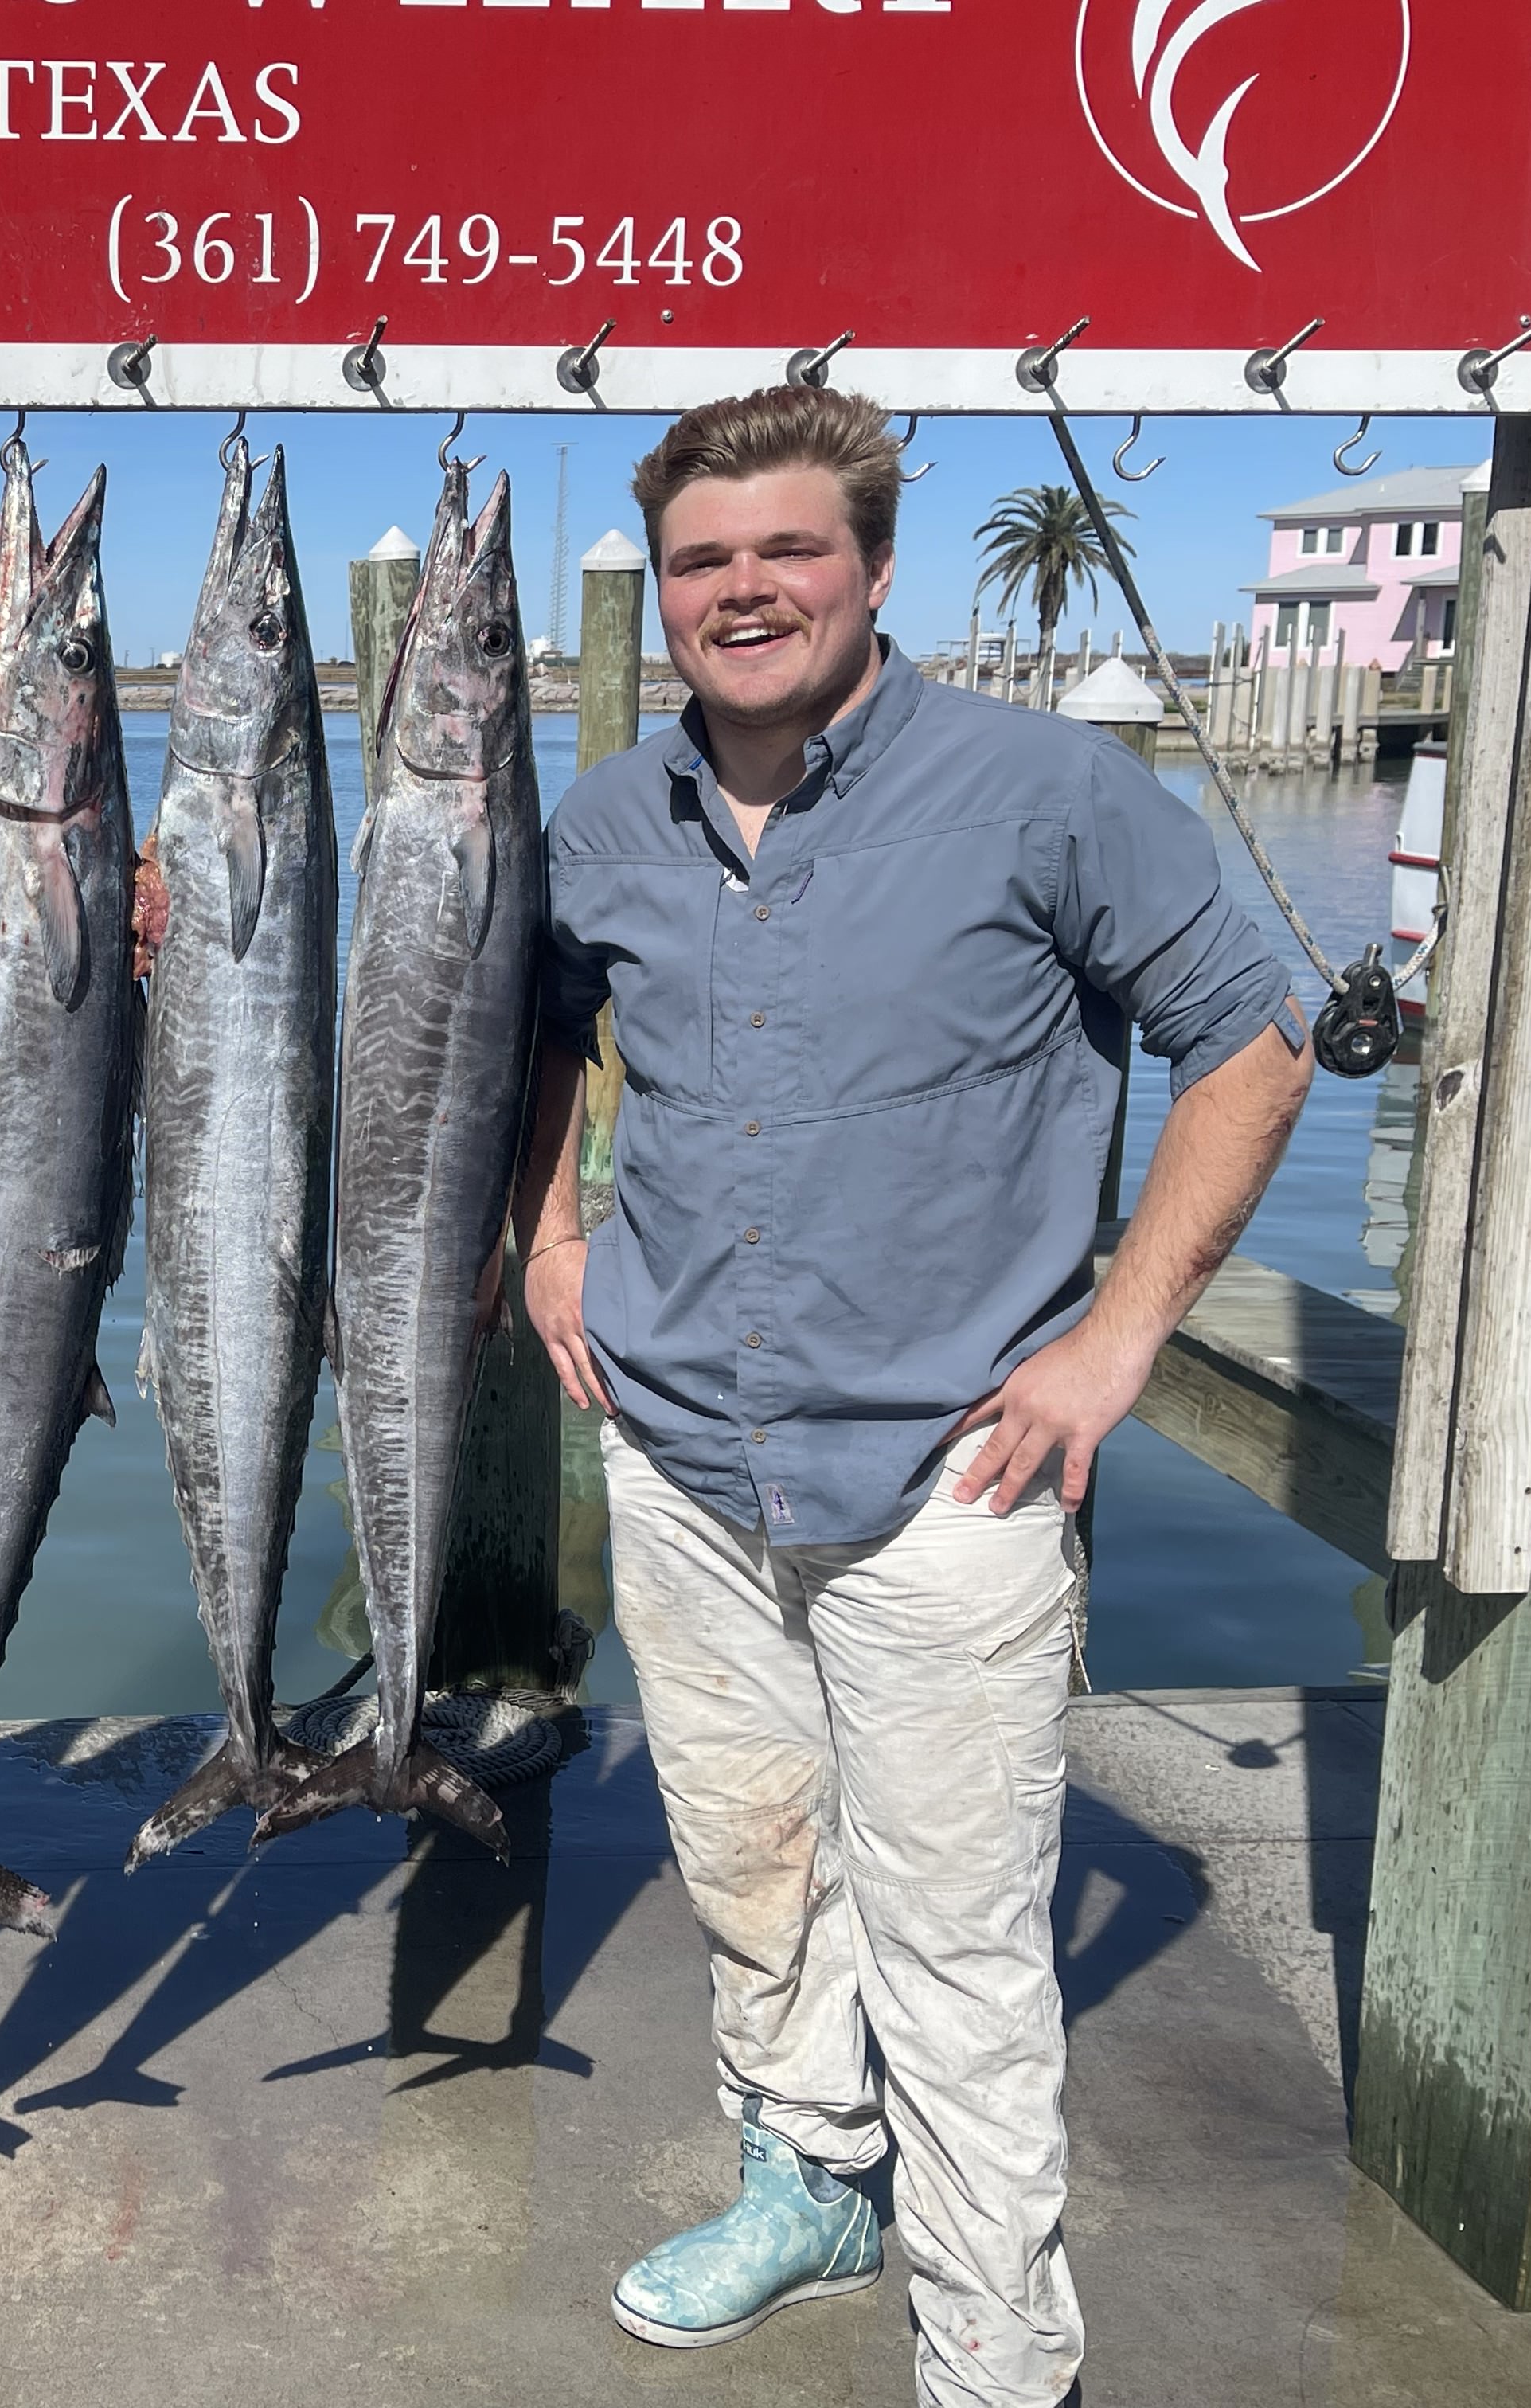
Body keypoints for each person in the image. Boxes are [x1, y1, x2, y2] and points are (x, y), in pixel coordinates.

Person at [514, 386, 1310, 2406]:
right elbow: (532, 1033)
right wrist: (549, 1234)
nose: (743, 591)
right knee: (756, 1877)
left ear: (874, 563)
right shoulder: (607, 815)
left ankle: (994, 2348)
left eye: (788, 550)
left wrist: (1122, 1335)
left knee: (958, 1952)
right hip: (688, 1458)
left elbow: (1256, 1036)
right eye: (703, 561)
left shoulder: (1047, 793)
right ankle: (809, 2183)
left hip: (955, 1473)